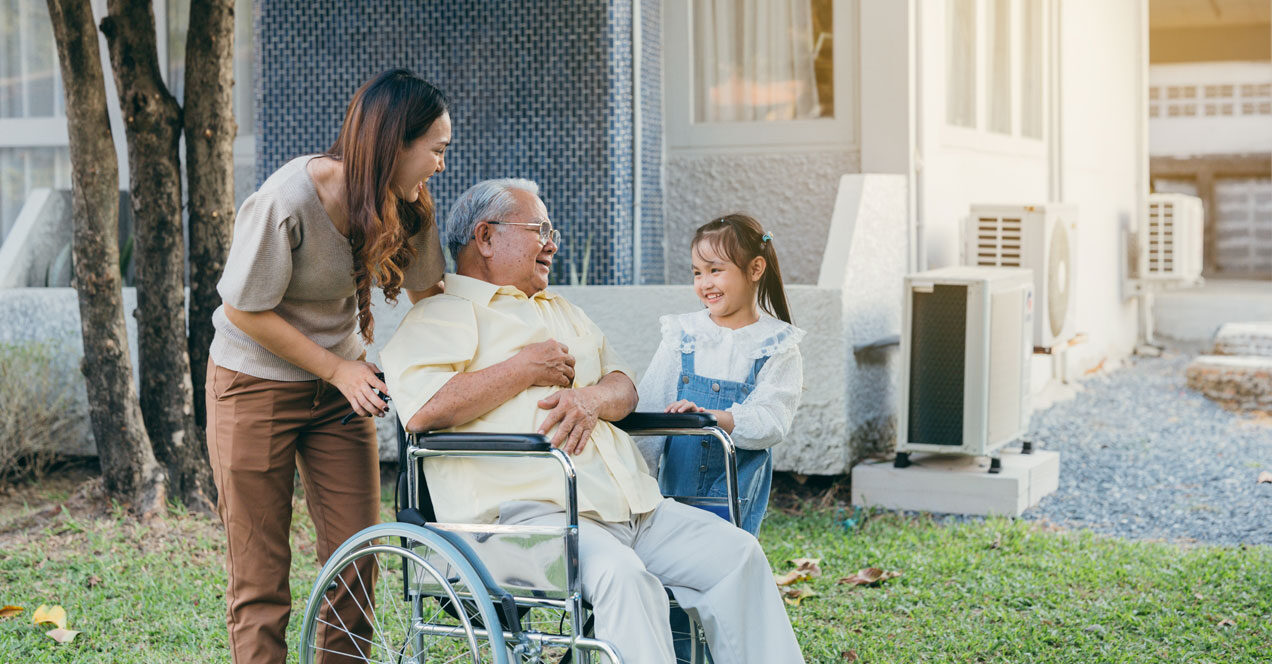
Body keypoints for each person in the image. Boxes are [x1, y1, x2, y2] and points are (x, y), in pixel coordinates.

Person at [380, 179, 805, 664]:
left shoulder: (562, 310)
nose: (552, 242)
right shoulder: (442, 315)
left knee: (738, 557)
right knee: (625, 578)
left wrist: (592, 398)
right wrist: (523, 369)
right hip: (529, 522)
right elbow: (421, 409)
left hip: (632, 507)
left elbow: (623, 383)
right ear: (486, 237)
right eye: (539, 228)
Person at [205, 69, 451, 664]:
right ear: (396, 145)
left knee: (356, 559)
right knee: (261, 576)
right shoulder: (287, 200)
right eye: (437, 150)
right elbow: (242, 310)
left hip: (343, 393)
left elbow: (433, 295)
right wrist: (339, 370)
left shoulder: (409, 207)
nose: (442, 164)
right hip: (254, 386)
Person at [636, 214, 804, 536]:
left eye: (716, 270)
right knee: (672, 563)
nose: (705, 283)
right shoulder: (682, 334)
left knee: (728, 564)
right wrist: (638, 482)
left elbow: (772, 421)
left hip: (733, 495)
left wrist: (713, 418)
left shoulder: (776, 345)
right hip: (675, 493)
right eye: (697, 273)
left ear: (755, 269)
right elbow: (650, 411)